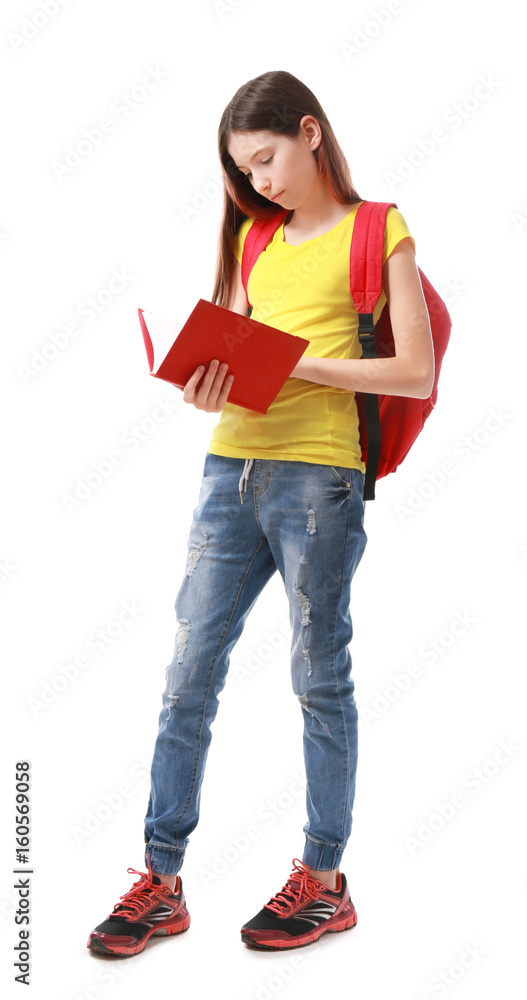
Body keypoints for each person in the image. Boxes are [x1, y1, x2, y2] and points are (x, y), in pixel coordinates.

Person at [87, 69, 434, 957]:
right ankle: (160, 882)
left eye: (267, 158)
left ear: (310, 133)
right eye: (244, 170)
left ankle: (322, 883)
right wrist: (210, 386)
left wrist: (299, 365)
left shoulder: (376, 229)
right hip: (227, 471)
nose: (259, 181)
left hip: (318, 479)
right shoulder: (254, 240)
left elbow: (414, 374)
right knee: (186, 675)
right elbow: (241, 351)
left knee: (318, 680)